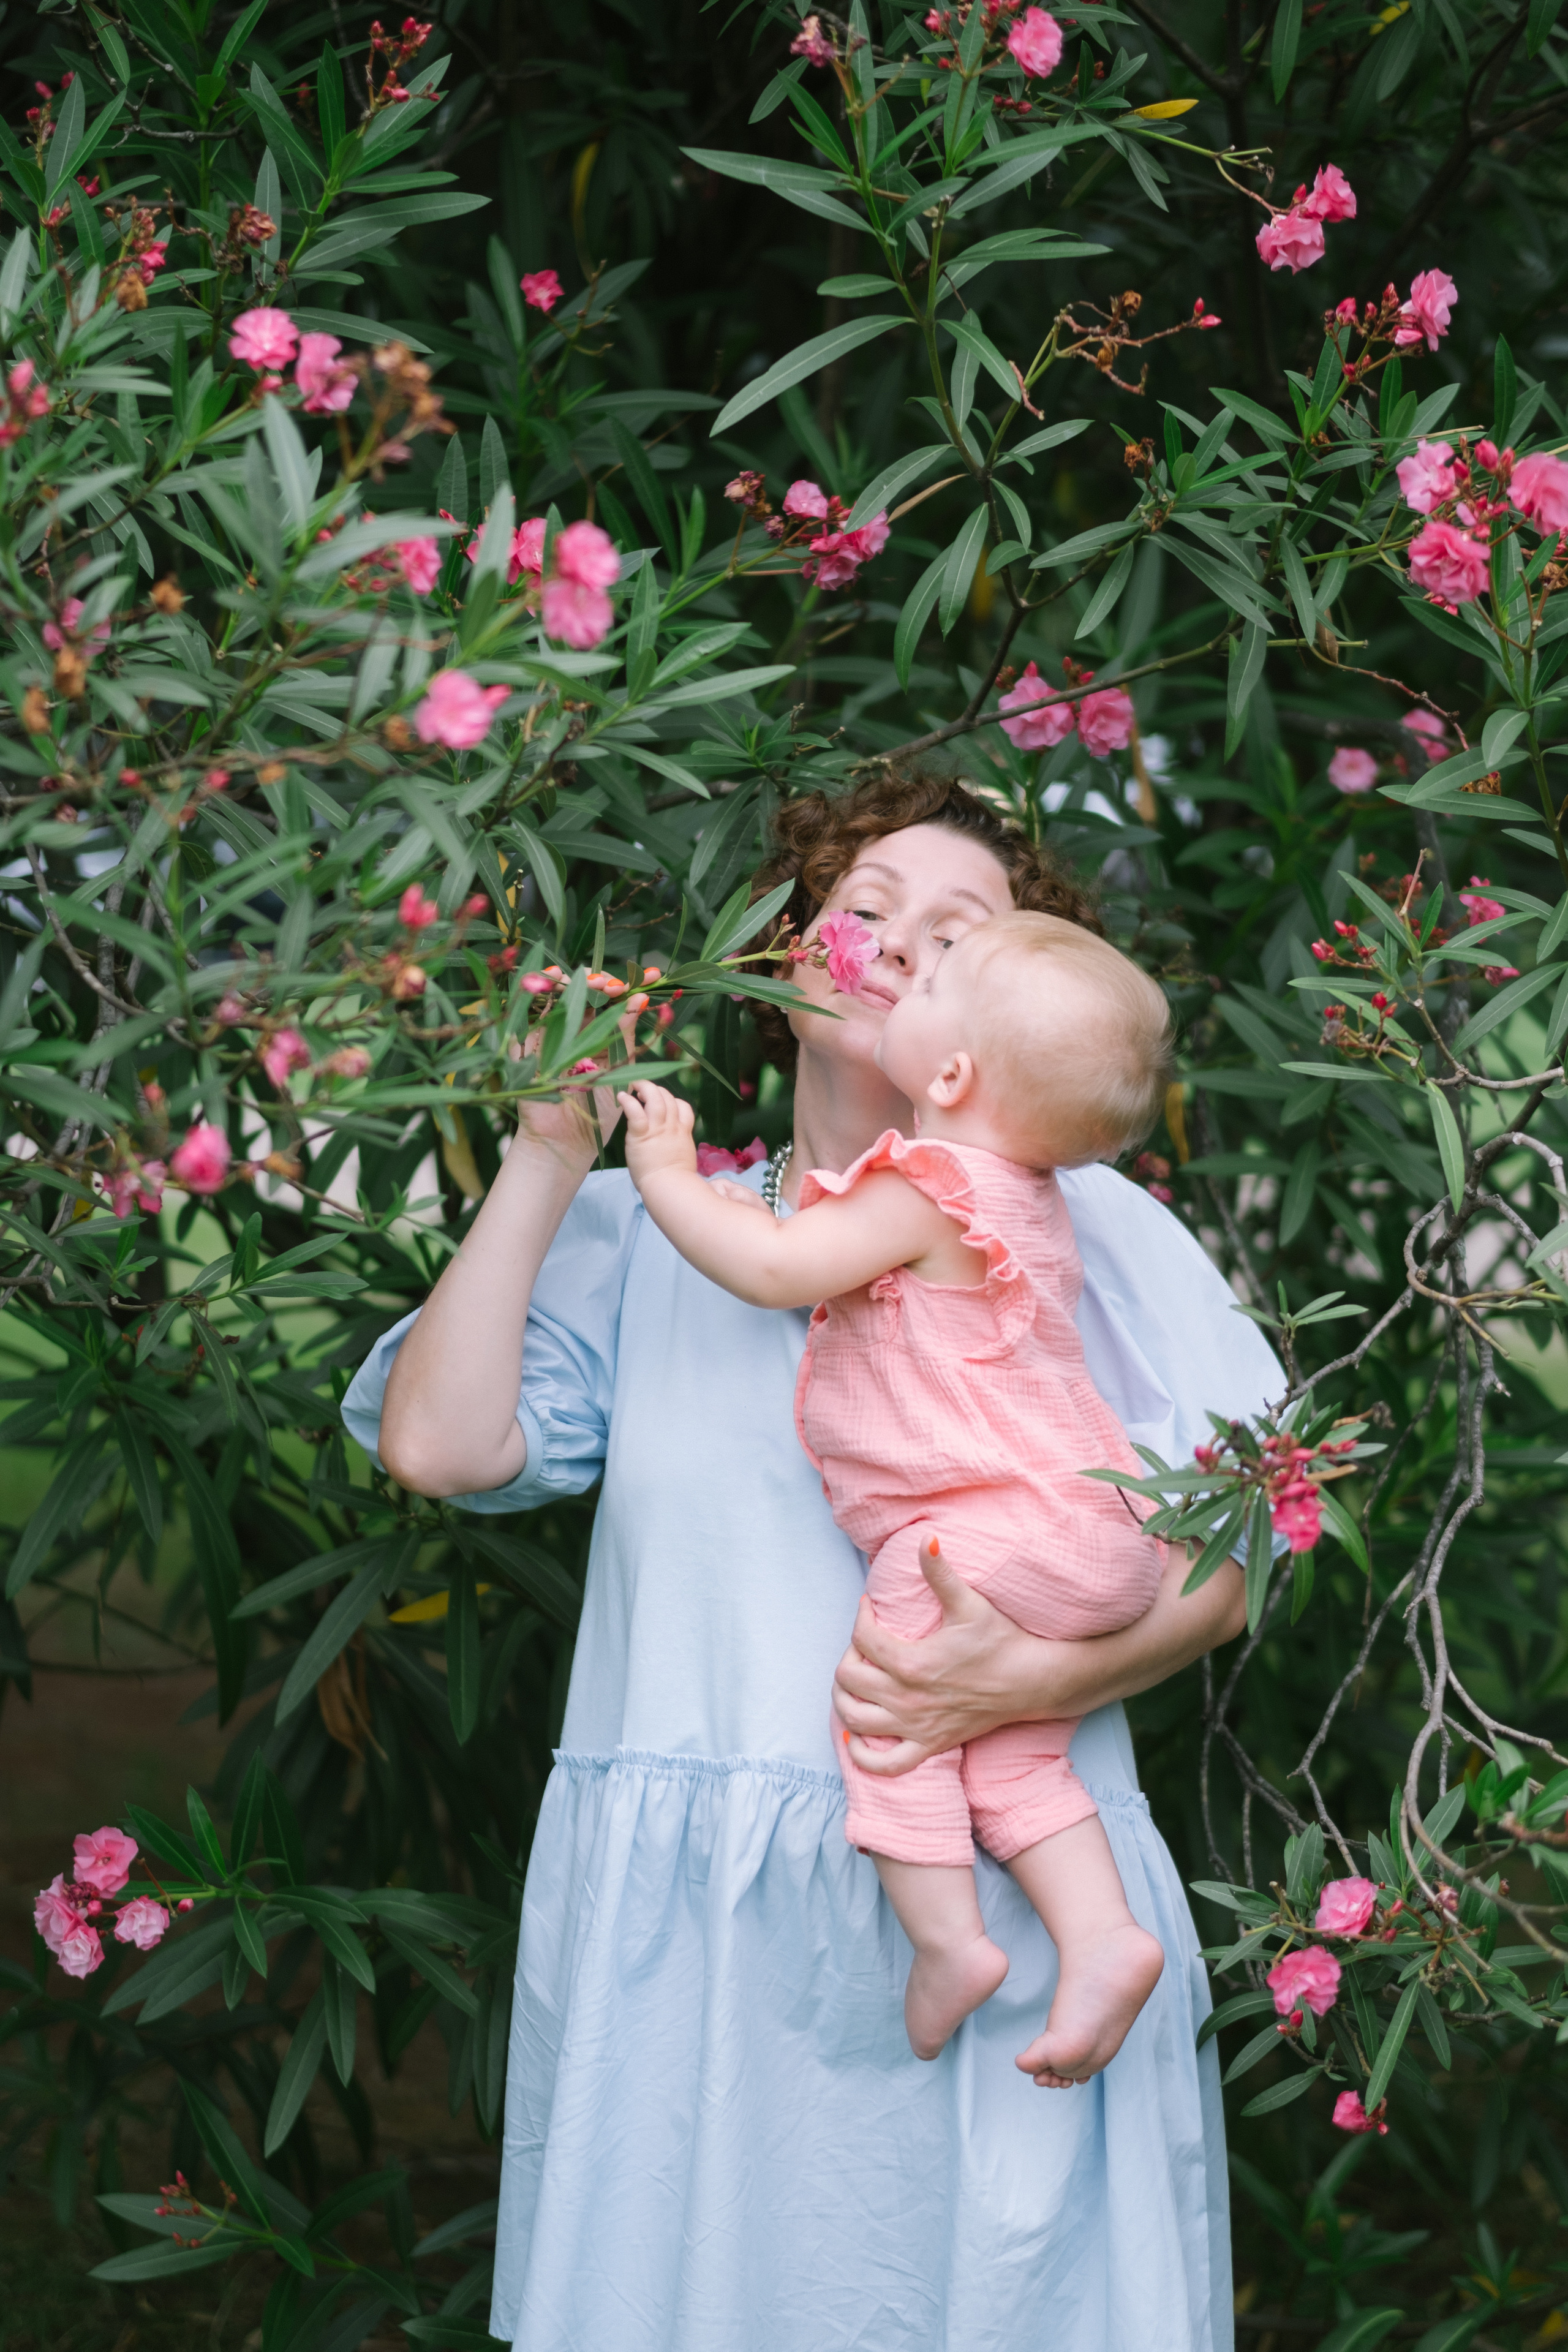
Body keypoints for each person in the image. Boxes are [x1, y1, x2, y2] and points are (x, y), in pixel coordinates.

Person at [344, 768, 1281, 2352]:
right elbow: (438, 1447)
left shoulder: (1089, 1233)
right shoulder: (658, 1233)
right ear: (784, 955)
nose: (902, 942)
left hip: (1009, 1914)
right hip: (704, 1948)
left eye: (957, 930)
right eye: (864, 907)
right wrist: (547, 1160)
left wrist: (1032, 1677)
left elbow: (1238, 1560)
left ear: (999, 1008)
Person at [615, 912, 1177, 2078]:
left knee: (889, 1707)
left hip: (987, 1533)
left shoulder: (931, 1187)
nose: (905, 973)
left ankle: (947, 1940)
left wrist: (667, 1174)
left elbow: (776, 1266)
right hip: (1094, 1535)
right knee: (1011, 1761)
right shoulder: (1024, 1196)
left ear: (952, 1075)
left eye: (934, 984)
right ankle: (1103, 1935)